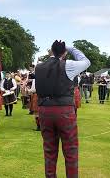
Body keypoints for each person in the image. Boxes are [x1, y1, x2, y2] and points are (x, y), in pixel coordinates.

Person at [35, 40, 90, 178]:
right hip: (64, 111)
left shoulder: (39, 67)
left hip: (44, 110)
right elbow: (86, 61)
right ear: (64, 53)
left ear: (51, 51)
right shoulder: (68, 65)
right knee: (71, 151)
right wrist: (71, 48)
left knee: (49, 151)